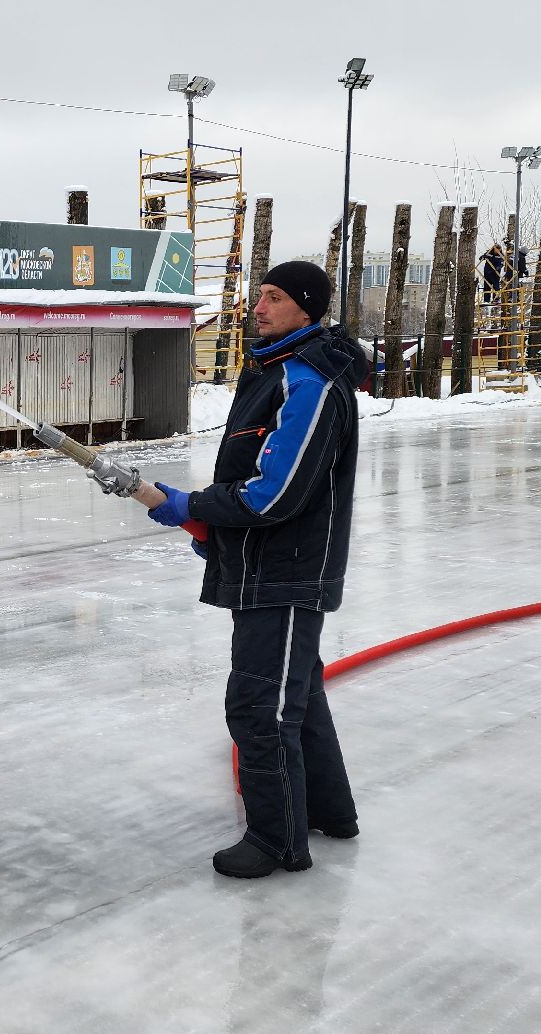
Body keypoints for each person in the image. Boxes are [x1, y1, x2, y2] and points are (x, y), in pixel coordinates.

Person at [143, 261, 362, 878]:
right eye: (257, 296)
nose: (258, 307)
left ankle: (277, 841)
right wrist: (215, 533)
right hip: (268, 565)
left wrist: (193, 506)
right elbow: (254, 486)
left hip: (289, 574)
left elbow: (276, 493)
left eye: (274, 297)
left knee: (259, 708)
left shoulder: (308, 381)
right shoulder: (272, 372)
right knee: (300, 695)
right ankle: (327, 812)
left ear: (306, 308)